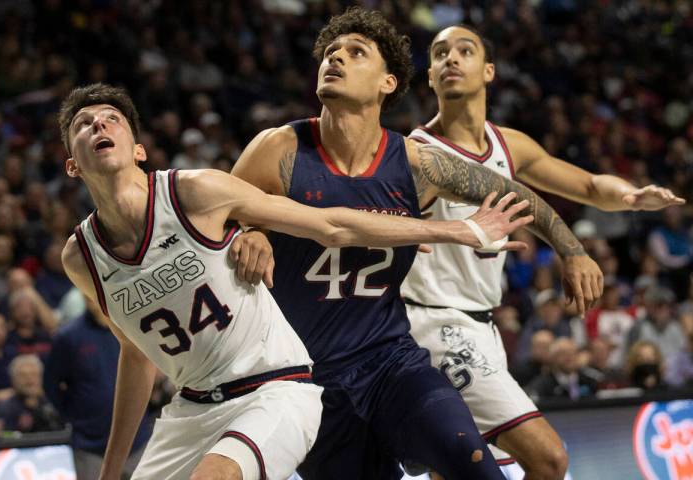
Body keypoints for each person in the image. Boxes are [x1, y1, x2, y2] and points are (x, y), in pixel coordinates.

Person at [57, 82, 530, 480]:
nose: (99, 124)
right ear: (72, 166)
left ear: (139, 149)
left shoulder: (194, 191)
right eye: (84, 124)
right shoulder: (82, 257)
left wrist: (458, 229)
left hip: (274, 388)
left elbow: (332, 225)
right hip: (192, 409)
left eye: (111, 118)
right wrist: (110, 472)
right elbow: (137, 353)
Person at [230, 8, 602, 479]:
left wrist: (573, 250)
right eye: (330, 52)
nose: (335, 59)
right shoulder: (279, 150)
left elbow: (516, 192)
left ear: (388, 82)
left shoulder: (413, 164)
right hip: (305, 379)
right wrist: (251, 231)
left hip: (391, 363)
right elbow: (208, 219)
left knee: (476, 468)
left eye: (354, 52)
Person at [400, 24, 685, 479]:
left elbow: (591, 185)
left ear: (489, 71)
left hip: (483, 325)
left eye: (464, 50)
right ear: (430, 76)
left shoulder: (510, 145)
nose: (451, 59)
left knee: (456, 469)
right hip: (433, 322)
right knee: (549, 461)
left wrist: (630, 196)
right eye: (439, 54)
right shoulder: (419, 152)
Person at [44, 298, 153, 480]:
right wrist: (73, 416)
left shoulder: (130, 327)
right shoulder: (68, 336)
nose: (92, 298)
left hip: (137, 440)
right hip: (90, 445)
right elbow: (50, 384)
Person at [0, 354, 62, 433]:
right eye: (23, 375)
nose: (29, 379)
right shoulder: (6, 408)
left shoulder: (52, 404)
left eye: (34, 374)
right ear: (13, 380)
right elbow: (4, 436)